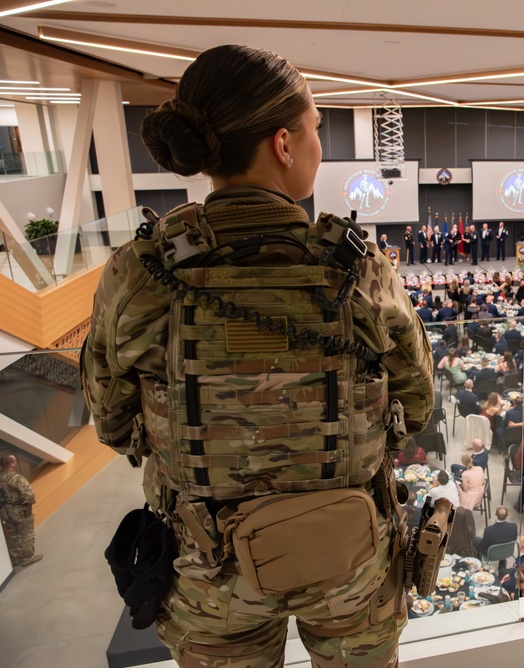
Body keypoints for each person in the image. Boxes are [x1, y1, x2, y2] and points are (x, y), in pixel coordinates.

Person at [81, 45, 435, 667]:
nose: (319, 146)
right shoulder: (360, 268)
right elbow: (419, 403)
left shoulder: (140, 271)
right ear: (283, 143)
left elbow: (110, 420)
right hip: (348, 563)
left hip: (208, 570)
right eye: (317, 129)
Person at [0, 454, 43, 567]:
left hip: (5, 511)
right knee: (26, 533)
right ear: (11, 464)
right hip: (19, 510)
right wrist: (28, 511)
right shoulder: (16, 478)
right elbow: (29, 495)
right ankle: (27, 557)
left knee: (13, 534)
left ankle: (16, 557)